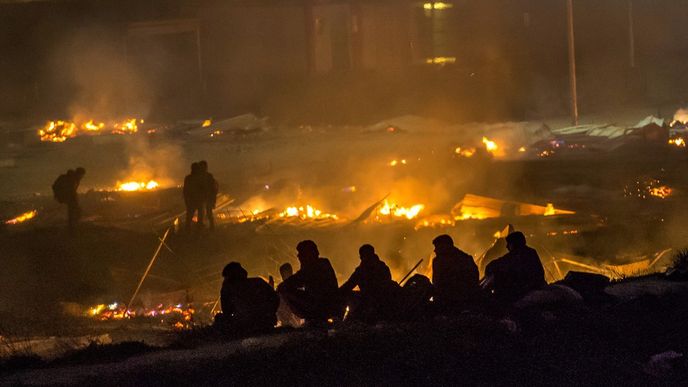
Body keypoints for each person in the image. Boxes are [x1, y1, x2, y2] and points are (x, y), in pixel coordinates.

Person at [277, 240, 339, 325]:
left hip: (321, 306)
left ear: (308, 253)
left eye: (301, 253)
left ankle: (310, 318)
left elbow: (296, 280)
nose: (298, 256)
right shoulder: (322, 263)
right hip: (325, 305)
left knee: (284, 290)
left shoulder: (315, 266)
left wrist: (281, 287)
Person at [339, 244, 400, 323]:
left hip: (370, 301)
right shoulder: (383, 267)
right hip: (385, 302)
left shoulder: (362, 270)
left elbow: (348, 285)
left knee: (348, 296)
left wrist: (336, 293)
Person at [483, 231, 547, 304]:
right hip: (532, 286)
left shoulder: (516, 255)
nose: (507, 246)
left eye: (509, 244)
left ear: (514, 244)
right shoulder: (531, 252)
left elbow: (494, 265)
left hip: (524, 289)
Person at [216, 262, 279, 333]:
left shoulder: (230, 290)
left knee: (219, 318)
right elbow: (275, 299)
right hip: (266, 322)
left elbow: (227, 312)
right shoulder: (258, 281)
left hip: (245, 325)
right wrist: (269, 313)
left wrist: (224, 290)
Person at [431, 234, 480, 314]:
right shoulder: (466, 259)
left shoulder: (439, 262)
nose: (435, 250)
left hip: (450, 303)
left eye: (437, 247)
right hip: (466, 302)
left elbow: (437, 284)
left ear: (444, 246)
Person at [183, 162, 204, 231]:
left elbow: (185, 190)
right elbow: (186, 190)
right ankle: (194, 229)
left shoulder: (189, 178)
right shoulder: (198, 178)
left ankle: (190, 229)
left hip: (194, 200)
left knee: (191, 216)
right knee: (192, 216)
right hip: (194, 200)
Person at [198, 160, 219, 231]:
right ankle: (206, 227)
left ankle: (209, 227)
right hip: (203, 198)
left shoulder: (207, 176)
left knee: (207, 213)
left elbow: (214, 188)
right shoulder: (205, 176)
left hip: (206, 198)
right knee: (203, 213)